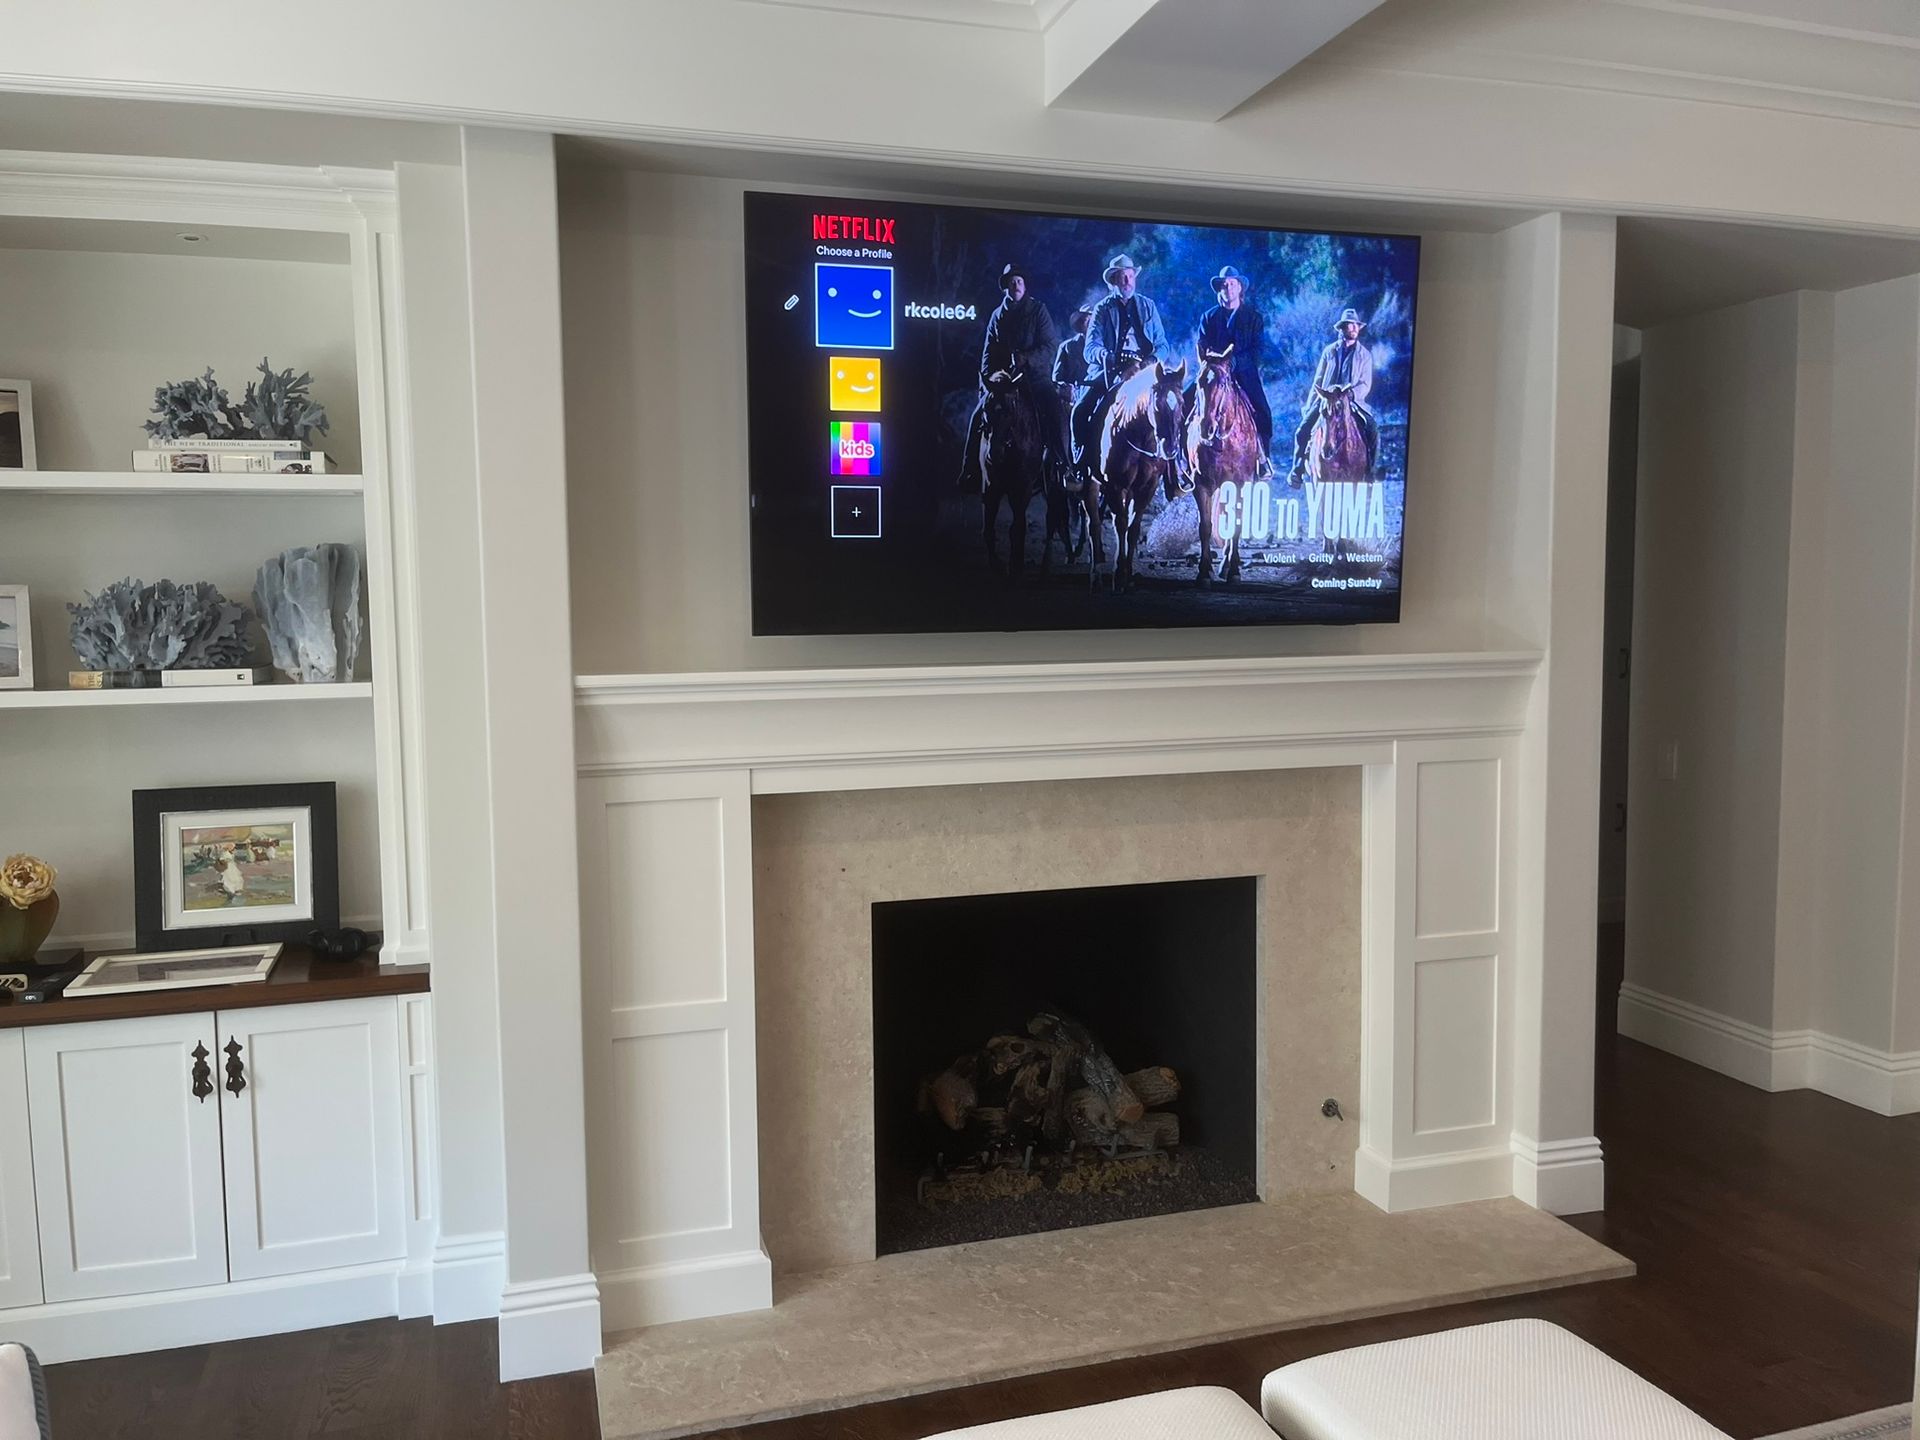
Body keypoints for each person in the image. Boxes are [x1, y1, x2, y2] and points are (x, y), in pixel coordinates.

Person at [957, 262, 1061, 494]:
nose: (1016, 285)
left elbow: (1050, 346)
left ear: (1025, 285)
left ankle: (1064, 466)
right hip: (1003, 383)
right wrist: (987, 382)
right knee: (978, 415)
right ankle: (969, 468)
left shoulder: (1038, 311)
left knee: (1055, 410)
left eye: (1019, 281)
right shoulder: (997, 316)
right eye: (1012, 282)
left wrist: (1026, 358)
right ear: (1006, 287)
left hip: (1034, 378)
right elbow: (988, 351)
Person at [1072, 254, 1170, 472]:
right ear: (1114, 280)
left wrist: (1150, 361)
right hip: (1113, 370)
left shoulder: (1148, 306)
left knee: (1171, 405)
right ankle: (1081, 464)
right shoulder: (1102, 309)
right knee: (1081, 410)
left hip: (1145, 371)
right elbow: (1090, 348)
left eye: (1130, 276)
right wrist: (1110, 357)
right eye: (1122, 277)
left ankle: (1176, 470)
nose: (1127, 281)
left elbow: (1163, 345)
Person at [1195, 265, 1274, 474]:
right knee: (1184, 402)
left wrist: (1235, 362)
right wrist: (1213, 363)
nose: (1228, 288)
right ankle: (1181, 463)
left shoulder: (1254, 317)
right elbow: (1202, 344)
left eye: (1232, 284)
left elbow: (1259, 350)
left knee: (1263, 412)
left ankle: (1263, 460)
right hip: (1213, 373)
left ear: (1240, 288)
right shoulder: (1209, 317)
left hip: (1244, 374)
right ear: (1219, 289)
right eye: (1224, 285)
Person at [1288, 306, 1379, 484]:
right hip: (1326, 399)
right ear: (1342, 328)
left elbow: (1365, 383)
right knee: (1302, 430)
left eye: (1356, 325)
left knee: (1373, 429)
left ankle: (1370, 472)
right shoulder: (1329, 351)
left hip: (1351, 401)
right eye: (1349, 325)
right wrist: (1310, 404)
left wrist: (1351, 394)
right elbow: (1318, 379)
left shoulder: (1365, 355)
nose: (1353, 328)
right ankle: (1297, 469)